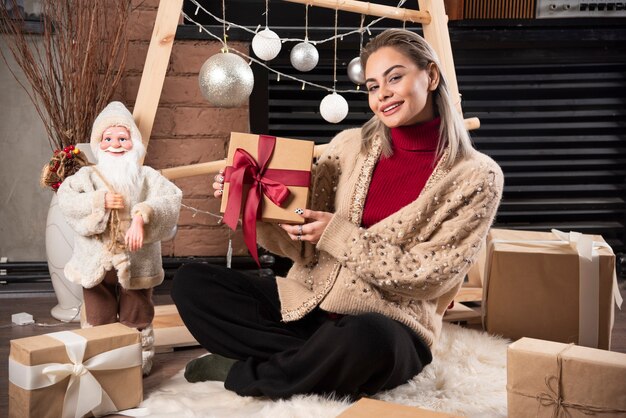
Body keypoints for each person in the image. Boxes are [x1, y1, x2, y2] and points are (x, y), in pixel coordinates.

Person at [172, 28, 503, 399]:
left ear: (431, 75)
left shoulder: (476, 175)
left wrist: (339, 234)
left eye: (395, 77)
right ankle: (308, 361)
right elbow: (302, 245)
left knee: (368, 340)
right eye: (373, 86)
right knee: (191, 284)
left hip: (390, 325)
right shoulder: (348, 146)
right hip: (308, 303)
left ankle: (244, 370)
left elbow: (429, 277)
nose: (383, 95)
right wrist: (257, 203)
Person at [57, 101, 182, 375]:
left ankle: (138, 359)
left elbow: (171, 199)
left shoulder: (146, 176)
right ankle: (100, 358)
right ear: (98, 143)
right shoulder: (86, 176)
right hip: (96, 261)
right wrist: (98, 201)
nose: (115, 144)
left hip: (136, 260)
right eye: (108, 138)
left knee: (137, 310)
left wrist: (142, 215)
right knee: (98, 312)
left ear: (133, 142)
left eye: (123, 138)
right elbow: (65, 199)